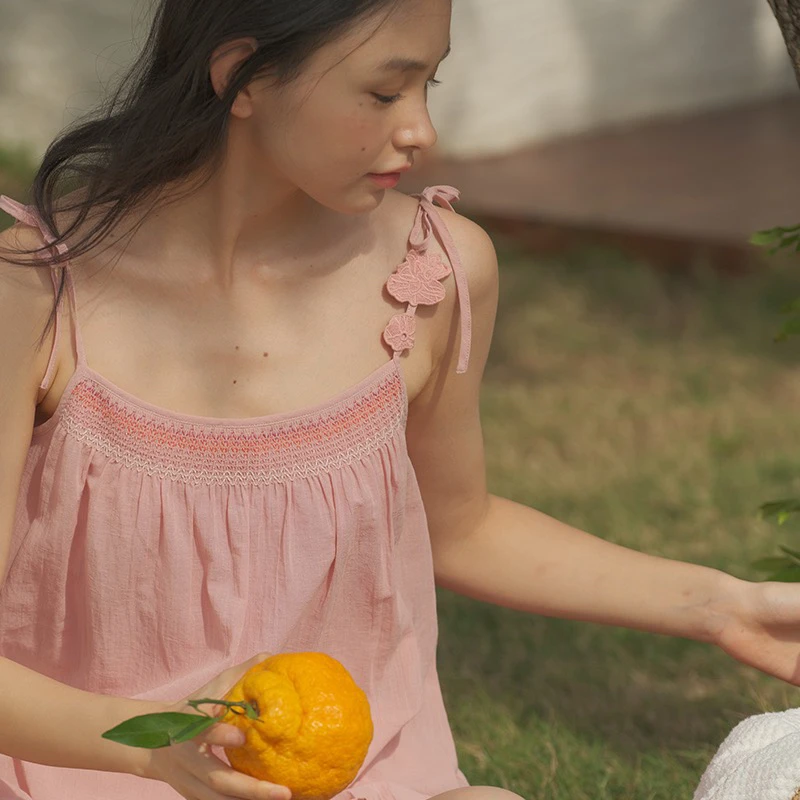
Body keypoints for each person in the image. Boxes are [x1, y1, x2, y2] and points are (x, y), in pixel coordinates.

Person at [1, 1, 799, 799]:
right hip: (84, 768)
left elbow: (465, 527)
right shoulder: (34, 287)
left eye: (430, 84)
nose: (423, 131)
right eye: (385, 94)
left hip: (360, 779)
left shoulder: (434, 274)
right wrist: (152, 754)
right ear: (240, 77)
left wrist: (721, 607)